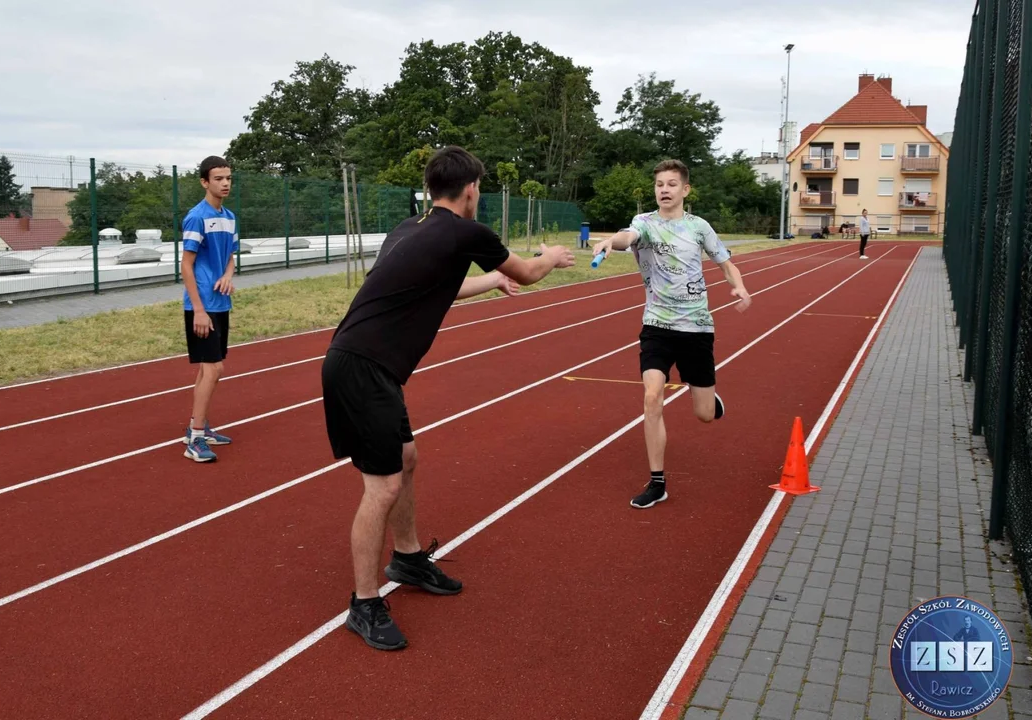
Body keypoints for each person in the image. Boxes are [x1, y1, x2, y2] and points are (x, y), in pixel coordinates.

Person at [321, 145, 576, 651]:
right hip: (363, 369)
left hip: (364, 364)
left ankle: (408, 557)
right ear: (472, 190)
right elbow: (529, 272)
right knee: (383, 487)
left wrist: (491, 279)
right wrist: (549, 257)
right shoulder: (467, 231)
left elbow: (437, 288)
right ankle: (365, 602)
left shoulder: (409, 229)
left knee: (406, 458)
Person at [590, 159, 751, 509]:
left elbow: (725, 262)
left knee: (704, 414)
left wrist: (738, 286)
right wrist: (610, 242)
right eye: (659, 184)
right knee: (652, 396)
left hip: (696, 327)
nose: (664, 189)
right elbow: (629, 237)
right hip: (657, 325)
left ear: (685, 190)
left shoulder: (699, 227)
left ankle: (709, 398)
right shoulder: (644, 223)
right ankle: (657, 482)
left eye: (671, 184)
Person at [180, 155, 238, 463]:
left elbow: (230, 255)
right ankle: (196, 437)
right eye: (218, 178)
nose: (225, 183)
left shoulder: (229, 216)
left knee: (208, 368)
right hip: (201, 305)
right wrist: (198, 310)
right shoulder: (196, 217)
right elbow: (185, 266)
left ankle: (197, 428)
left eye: (228, 178)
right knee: (214, 368)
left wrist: (229, 275)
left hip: (221, 302)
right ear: (205, 182)